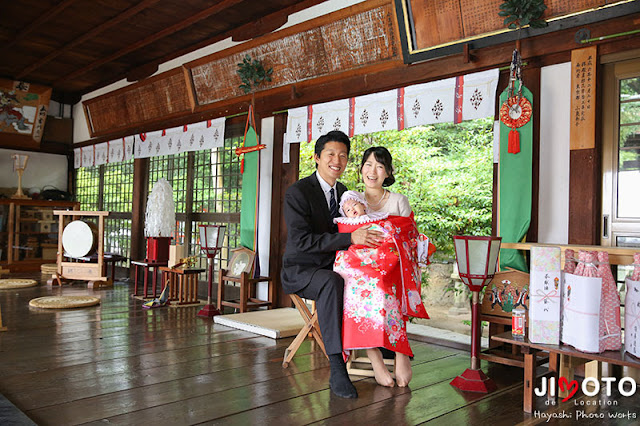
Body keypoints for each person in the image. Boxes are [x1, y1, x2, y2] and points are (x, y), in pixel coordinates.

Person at [281, 130, 384, 399]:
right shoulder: (298, 192)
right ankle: (337, 367)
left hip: (335, 265)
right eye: (330, 154)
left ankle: (377, 342)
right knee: (332, 282)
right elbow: (302, 241)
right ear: (317, 157)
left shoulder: (346, 194)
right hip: (301, 270)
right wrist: (349, 238)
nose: (337, 160)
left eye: (343, 155)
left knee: (372, 276)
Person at [347, 146, 427, 388]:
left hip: (395, 268)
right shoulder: (351, 201)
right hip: (362, 269)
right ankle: (375, 358)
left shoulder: (398, 201)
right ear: (361, 168)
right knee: (358, 285)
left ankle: (401, 352)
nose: (373, 171)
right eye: (368, 165)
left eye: (380, 166)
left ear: (388, 172)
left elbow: (412, 239)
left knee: (388, 284)